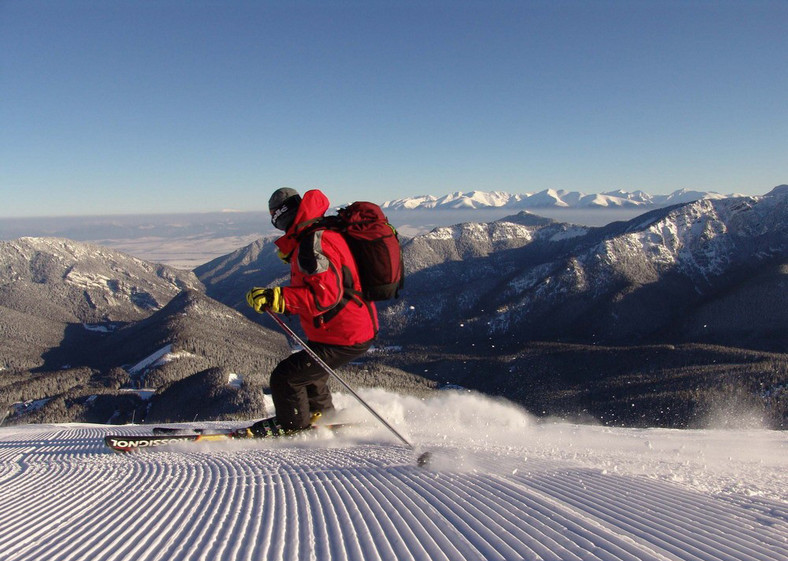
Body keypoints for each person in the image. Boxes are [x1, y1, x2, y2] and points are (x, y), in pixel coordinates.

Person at [245, 187, 378, 434]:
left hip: (345, 333)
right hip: (339, 330)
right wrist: (277, 298)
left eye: (274, 215)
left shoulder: (313, 242)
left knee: (286, 378)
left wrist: (278, 298)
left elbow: (325, 296)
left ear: (281, 215)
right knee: (310, 376)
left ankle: (294, 427)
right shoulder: (313, 235)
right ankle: (323, 417)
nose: (274, 220)